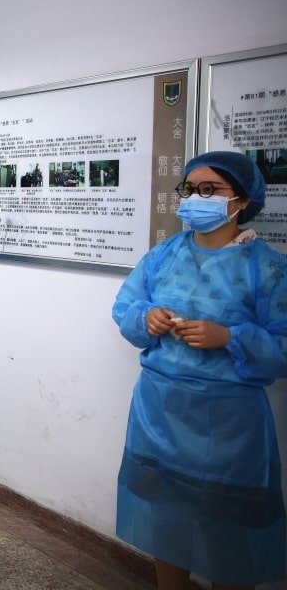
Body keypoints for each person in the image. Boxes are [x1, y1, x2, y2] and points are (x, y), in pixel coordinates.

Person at [111, 151, 286, 590]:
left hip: (229, 424)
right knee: (164, 521)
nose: (194, 198)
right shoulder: (163, 256)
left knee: (227, 529)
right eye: (189, 189)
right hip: (159, 412)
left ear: (242, 201)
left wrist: (229, 338)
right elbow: (125, 308)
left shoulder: (267, 269)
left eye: (209, 190)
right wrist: (146, 318)